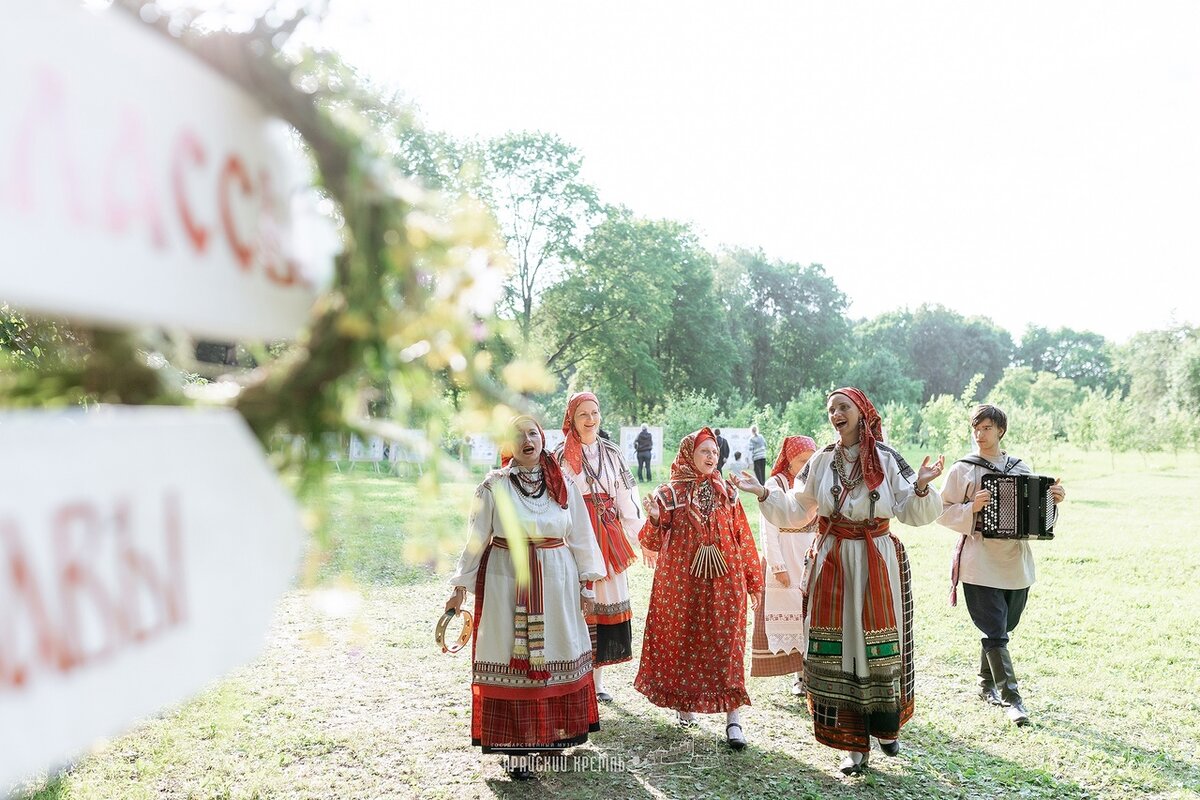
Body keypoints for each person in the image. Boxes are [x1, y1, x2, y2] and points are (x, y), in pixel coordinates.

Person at [732, 388, 944, 776]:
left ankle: (884, 726)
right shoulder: (821, 460)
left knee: (876, 646)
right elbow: (797, 510)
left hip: (876, 559)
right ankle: (851, 747)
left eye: (842, 407)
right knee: (837, 647)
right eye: (831, 409)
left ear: (862, 412)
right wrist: (764, 492)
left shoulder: (887, 458)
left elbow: (912, 511)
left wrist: (923, 485)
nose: (835, 414)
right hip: (831, 559)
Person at [445, 415, 605, 780]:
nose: (527, 439)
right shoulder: (493, 485)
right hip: (507, 581)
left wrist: (587, 585)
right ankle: (516, 749)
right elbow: (475, 539)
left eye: (532, 432)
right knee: (509, 655)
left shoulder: (563, 483)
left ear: (542, 438)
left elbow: (581, 535)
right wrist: (458, 588)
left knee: (556, 649)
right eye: (518, 435)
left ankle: (550, 737)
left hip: (557, 580)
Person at [936, 404, 1066, 727]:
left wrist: (1053, 501)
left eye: (987, 429)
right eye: (976, 429)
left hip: (1015, 563)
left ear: (1000, 431)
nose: (980, 435)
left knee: (1005, 625)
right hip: (979, 561)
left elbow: (1039, 518)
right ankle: (1013, 700)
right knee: (995, 629)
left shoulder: (1021, 468)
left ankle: (985, 684)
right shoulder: (962, 470)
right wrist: (971, 508)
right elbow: (940, 511)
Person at [636, 427, 764, 750]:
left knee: (727, 642)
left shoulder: (727, 492)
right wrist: (653, 518)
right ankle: (685, 705)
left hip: (725, 581)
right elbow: (650, 541)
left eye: (714, 452)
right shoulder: (670, 494)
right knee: (685, 638)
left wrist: (752, 579)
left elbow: (743, 536)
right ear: (689, 454)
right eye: (704, 451)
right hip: (681, 583)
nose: (712, 457)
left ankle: (733, 719)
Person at [555, 392, 644, 703]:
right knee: (577, 605)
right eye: (583, 414)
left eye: (594, 412)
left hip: (607, 534)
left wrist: (642, 535)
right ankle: (575, 679)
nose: (590, 419)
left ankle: (598, 681)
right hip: (574, 536)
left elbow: (627, 498)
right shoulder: (559, 457)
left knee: (605, 601)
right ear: (572, 419)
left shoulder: (613, 453)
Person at [750, 435, 818, 695]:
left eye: (811, 460)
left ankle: (812, 673)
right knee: (791, 616)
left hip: (811, 554)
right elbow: (768, 529)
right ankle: (799, 677)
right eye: (802, 460)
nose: (807, 465)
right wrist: (777, 565)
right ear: (789, 460)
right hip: (786, 554)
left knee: (811, 615)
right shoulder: (774, 484)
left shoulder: (814, 484)